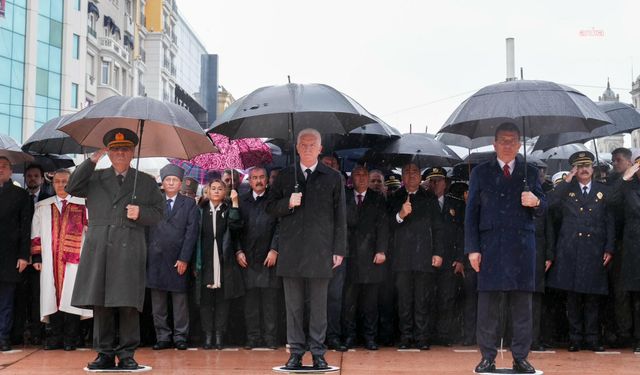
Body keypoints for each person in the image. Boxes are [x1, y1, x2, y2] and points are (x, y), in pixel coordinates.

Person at [66, 128, 165, 370]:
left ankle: (128, 354)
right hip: (100, 246)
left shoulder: (145, 181)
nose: (120, 153)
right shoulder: (95, 177)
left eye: (125, 149)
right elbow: (72, 186)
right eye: (115, 149)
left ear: (132, 153)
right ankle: (104, 353)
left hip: (130, 246)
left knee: (128, 302)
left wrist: (140, 212)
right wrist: (91, 159)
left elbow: (159, 213)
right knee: (101, 302)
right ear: (108, 153)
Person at [465, 122, 546, 374]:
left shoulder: (530, 172)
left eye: (513, 140)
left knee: (522, 306)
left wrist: (536, 201)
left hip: (522, 246)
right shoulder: (481, 172)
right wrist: (472, 248)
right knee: (488, 305)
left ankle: (520, 357)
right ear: (494, 144)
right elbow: (471, 214)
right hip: (491, 246)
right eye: (503, 140)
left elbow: (545, 208)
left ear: (520, 144)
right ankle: (487, 357)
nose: (508, 145)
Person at [266, 128, 347, 370]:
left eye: (313, 145)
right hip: (291, 250)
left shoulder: (333, 178)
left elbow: (339, 216)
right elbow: (270, 208)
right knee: (294, 306)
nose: (309, 148)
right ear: (297, 148)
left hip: (320, 250)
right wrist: (287, 203)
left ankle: (318, 353)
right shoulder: (284, 178)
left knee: (319, 306)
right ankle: (296, 352)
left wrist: (339, 249)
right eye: (304, 144)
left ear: (320, 149)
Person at [547, 151, 614, 352]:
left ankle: (592, 338)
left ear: (593, 169)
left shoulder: (603, 191)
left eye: (587, 166)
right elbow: (550, 203)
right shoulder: (566, 190)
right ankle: (575, 338)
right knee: (573, 297)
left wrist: (609, 247)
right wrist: (567, 181)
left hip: (594, 250)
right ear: (574, 170)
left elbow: (609, 220)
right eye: (579, 166)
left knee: (593, 297)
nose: (584, 170)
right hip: (571, 250)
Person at [30, 169, 92, 351]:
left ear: (72, 183)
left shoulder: (83, 205)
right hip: (50, 259)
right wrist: (37, 256)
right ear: (52, 183)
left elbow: (91, 231)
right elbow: (36, 233)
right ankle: (54, 336)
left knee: (71, 297)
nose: (61, 185)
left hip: (75, 260)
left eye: (65, 181)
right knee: (51, 296)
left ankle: (71, 338)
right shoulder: (43, 206)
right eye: (57, 181)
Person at [388, 162, 444, 350]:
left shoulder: (429, 197)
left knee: (422, 299)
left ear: (421, 176)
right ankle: (405, 336)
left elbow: (438, 227)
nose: (411, 175)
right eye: (407, 172)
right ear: (402, 177)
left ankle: (421, 337)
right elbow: (388, 226)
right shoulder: (394, 197)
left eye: (415, 172)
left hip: (424, 255)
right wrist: (400, 215)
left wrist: (438, 252)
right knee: (404, 299)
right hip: (401, 257)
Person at [147, 164, 199, 351]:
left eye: (174, 180)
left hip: (178, 259)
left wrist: (184, 258)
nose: (170, 183)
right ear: (162, 183)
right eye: (168, 180)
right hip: (156, 259)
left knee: (180, 302)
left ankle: (180, 336)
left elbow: (191, 233)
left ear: (180, 183)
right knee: (158, 303)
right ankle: (162, 336)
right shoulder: (153, 202)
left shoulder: (189, 204)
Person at [193, 179, 244, 350]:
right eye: (213, 188)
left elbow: (236, 227)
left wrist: (235, 202)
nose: (216, 191)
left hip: (224, 259)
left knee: (222, 300)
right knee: (206, 300)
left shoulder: (228, 209)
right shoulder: (200, 209)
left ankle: (219, 335)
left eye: (220, 189)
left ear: (225, 192)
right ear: (207, 191)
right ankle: (208, 336)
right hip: (205, 258)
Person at [341, 165, 388, 350]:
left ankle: (370, 337)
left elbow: (383, 226)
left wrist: (381, 250)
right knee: (349, 301)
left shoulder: (377, 198)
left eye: (364, 175)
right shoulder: (345, 197)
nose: (361, 178)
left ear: (368, 178)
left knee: (370, 302)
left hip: (371, 256)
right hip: (349, 255)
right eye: (357, 174)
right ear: (352, 178)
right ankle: (350, 337)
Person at [236, 167, 281, 349]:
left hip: (268, 257)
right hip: (248, 257)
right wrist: (238, 251)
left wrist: (274, 249)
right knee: (250, 303)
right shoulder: (241, 200)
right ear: (249, 180)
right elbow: (235, 229)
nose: (259, 181)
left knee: (270, 302)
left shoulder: (274, 200)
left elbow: (280, 226)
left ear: (267, 179)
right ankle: (252, 337)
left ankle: (270, 338)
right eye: (254, 178)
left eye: (262, 177)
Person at [424, 167, 465, 347]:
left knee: (446, 298)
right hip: (427, 258)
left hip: (449, 259)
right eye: (432, 181)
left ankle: (444, 335)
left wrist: (460, 258)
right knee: (427, 298)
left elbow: (462, 232)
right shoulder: (423, 202)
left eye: (438, 180)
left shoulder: (456, 204)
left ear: (445, 183)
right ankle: (428, 334)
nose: (435, 184)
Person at [14, 163, 52, 346]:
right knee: (20, 297)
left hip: (41, 255)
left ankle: (38, 332)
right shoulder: (18, 198)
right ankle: (18, 333)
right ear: (24, 178)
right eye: (29, 176)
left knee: (38, 295)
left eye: (36, 176)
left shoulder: (49, 199)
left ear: (42, 178)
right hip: (19, 255)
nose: (32, 179)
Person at [0, 156, 31, 351]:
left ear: (11, 171)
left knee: (6, 300)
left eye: (4, 166)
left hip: (10, 256)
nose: (0, 169)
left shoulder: (21, 195)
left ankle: (3, 336)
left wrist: (23, 255)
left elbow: (25, 227)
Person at [612, 158, 640, 352]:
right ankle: (638, 338)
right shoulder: (628, 187)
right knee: (636, 297)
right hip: (634, 249)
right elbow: (610, 200)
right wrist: (624, 178)